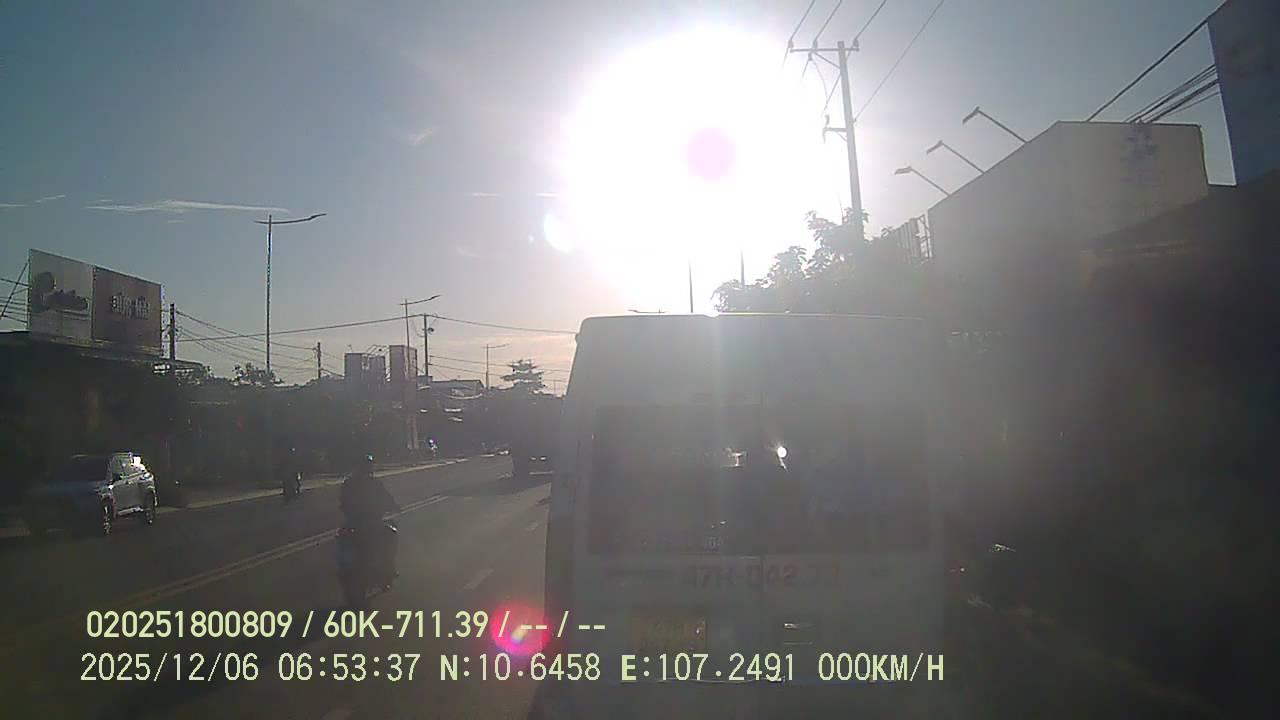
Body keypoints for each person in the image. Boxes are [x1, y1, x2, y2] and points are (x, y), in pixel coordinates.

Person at [339, 454, 400, 575]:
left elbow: (343, 501)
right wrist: (394, 506)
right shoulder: (373, 483)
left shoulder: (349, 483)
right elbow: (387, 497)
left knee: (344, 538)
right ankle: (389, 566)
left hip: (355, 521)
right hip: (370, 521)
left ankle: (387, 565)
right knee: (391, 534)